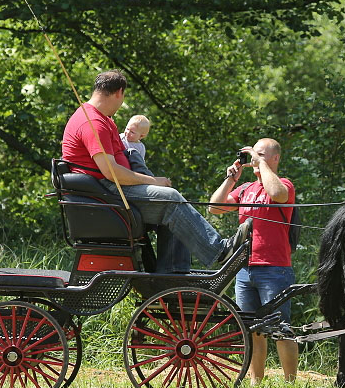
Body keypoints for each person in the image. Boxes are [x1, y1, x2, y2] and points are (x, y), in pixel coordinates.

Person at [61, 70, 249, 267]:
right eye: (123, 97)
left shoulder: (103, 119)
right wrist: (153, 181)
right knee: (171, 198)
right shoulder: (93, 122)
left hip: (110, 188)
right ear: (119, 92)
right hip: (107, 191)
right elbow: (111, 173)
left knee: (172, 203)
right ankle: (219, 251)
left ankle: (172, 276)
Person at [210, 138, 297, 384]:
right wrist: (230, 179)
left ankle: (290, 384)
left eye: (261, 154)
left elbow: (277, 194)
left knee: (281, 328)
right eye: (253, 155)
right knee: (253, 332)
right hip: (244, 270)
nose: (254, 160)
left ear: (276, 158)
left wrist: (262, 165)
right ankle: (256, 382)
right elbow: (215, 208)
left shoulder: (285, 185)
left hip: (275, 269)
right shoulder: (245, 189)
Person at [118, 114, 190, 273]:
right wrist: (153, 181)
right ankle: (170, 270)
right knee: (172, 200)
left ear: (142, 136)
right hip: (128, 186)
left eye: (132, 132)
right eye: (127, 129)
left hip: (136, 182)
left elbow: (139, 167)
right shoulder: (120, 140)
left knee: (176, 212)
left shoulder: (140, 147)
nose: (127, 133)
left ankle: (175, 268)